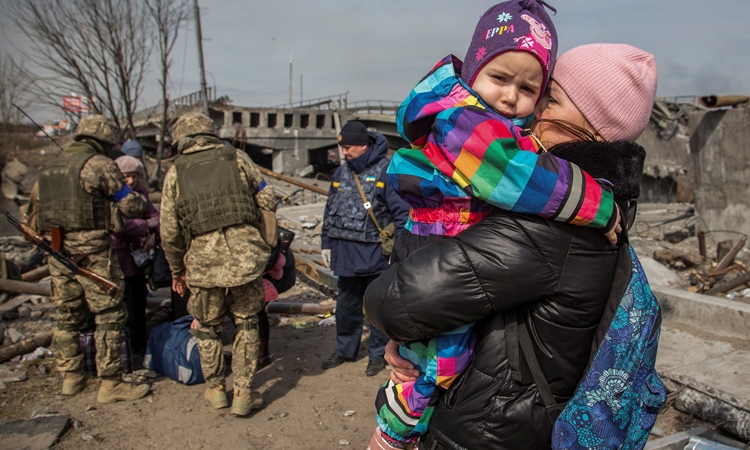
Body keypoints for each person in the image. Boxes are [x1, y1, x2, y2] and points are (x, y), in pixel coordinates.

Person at [365, 43, 658, 449]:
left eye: (550, 99)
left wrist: (407, 333)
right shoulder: (603, 202)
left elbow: (394, 301)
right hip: (515, 419)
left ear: (594, 125)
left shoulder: (557, 222)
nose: (532, 110)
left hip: (488, 429)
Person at [160, 112, 277, 416]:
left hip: (202, 264)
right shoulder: (237, 158)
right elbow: (267, 196)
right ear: (210, 133)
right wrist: (262, 240)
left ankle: (215, 390)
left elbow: (169, 231)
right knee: (248, 323)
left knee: (207, 328)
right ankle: (242, 393)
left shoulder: (175, 173)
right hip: (245, 258)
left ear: (181, 139)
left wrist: (177, 271)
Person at [34, 114, 151, 404]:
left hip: (57, 250)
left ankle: (71, 376)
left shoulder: (48, 167)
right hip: (93, 253)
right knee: (110, 314)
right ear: (104, 141)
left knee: (68, 314)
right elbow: (132, 205)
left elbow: (33, 215)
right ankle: (110, 383)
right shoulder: (99, 164)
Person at [320, 120, 410, 377]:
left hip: (374, 255)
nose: (344, 152)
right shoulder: (341, 172)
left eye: (348, 147)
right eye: (343, 148)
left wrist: (398, 252)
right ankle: (344, 350)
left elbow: (402, 215)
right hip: (344, 253)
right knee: (346, 305)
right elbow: (330, 210)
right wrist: (326, 243)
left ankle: (377, 355)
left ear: (363, 145)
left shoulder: (385, 172)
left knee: (377, 308)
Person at [110, 155, 160, 353]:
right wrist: (145, 226)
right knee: (122, 301)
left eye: (134, 176)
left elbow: (154, 214)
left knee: (138, 299)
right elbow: (118, 227)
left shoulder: (140, 192)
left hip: (137, 256)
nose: (130, 181)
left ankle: (139, 343)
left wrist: (153, 235)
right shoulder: (111, 195)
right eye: (126, 177)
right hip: (117, 255)